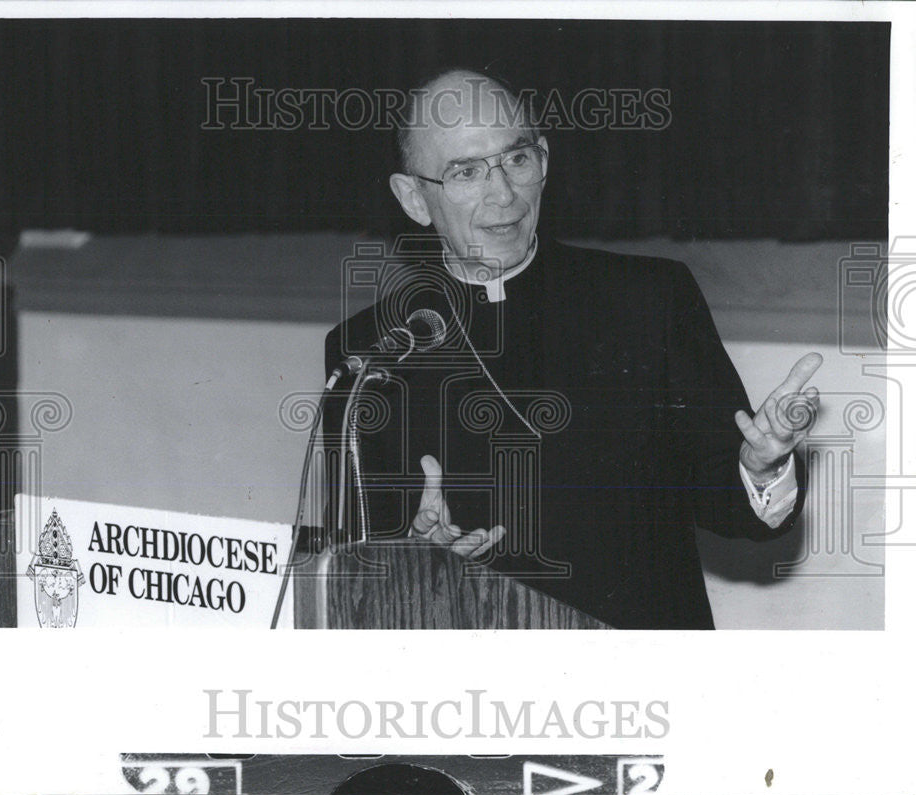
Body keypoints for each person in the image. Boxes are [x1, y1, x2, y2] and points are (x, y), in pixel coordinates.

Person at [323, 68, 821, 629]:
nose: (503, 194)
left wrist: (761, 465)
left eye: (516, 159)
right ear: (414, 198)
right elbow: (356, 560)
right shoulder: (369, 350)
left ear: (544, 161)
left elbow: (736, 511)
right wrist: (416, 560)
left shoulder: (650, 298)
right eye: (466, 172)